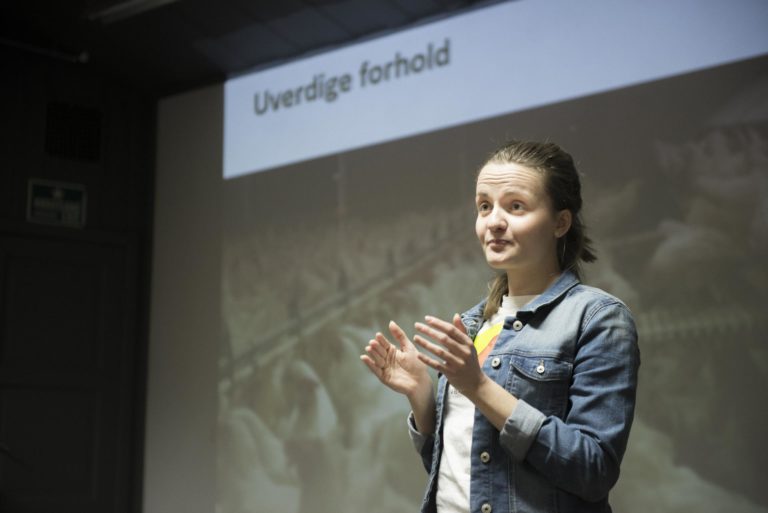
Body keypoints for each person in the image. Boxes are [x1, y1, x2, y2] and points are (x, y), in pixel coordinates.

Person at [360, 140, 640, 513]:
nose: (493, 221)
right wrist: (422, 394)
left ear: (560, 222)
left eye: (516, 206)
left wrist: (478, 387)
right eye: (484, 206)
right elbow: (462, 470)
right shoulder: (473, 323)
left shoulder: (597, 318)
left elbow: (593, 469)